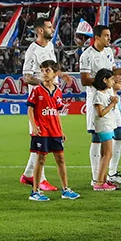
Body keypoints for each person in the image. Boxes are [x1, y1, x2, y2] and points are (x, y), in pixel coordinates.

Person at [79, 24, 121, 186]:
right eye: (106, 35)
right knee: (97, 137)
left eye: (109, 35)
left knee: (119, 134)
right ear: (97, 37)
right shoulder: (87, 55)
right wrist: (104, 82)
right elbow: (84, 80)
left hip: (112, 97)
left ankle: (112, 173)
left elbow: (112, 72)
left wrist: (120, 71)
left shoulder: (109, 52)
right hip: (97, 97)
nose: (110, 38)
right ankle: (96, 177)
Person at [27, 60, 80, 202]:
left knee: (61, 159)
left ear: (55, 73)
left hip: (54, 130)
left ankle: (65, 189)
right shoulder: (37, 90)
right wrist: (34, 126)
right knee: (41, 159)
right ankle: (35, 191)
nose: (44, 73)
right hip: (42, 130)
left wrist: (61, 130)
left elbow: (56, 112)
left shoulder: (58, 91)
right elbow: (30, 109)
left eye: (47, 70)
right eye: (42, 71)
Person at [19, 17, 59, 192]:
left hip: (51, 98)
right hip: (38, 100)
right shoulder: (32, 50)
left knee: (44, 137)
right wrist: (44, 83)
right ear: (41, 30)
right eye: (50, 27)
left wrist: (60, 77)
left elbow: (53, 69)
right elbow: (26, 77)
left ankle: (28, 174)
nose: (53, 29)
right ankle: (40, 179)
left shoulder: (50, 46)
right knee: (40, 137)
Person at [90, 68, 119, 191]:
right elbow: (100, 113)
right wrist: (112, 104)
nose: (113, 81)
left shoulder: (106, 93)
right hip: (104, 126)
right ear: (104, 80)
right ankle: (99, 182)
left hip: (108, 125)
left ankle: (102, 179)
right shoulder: (98, 94)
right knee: (108, 154)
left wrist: (113, 102)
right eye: (111, 79)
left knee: (105, 154)